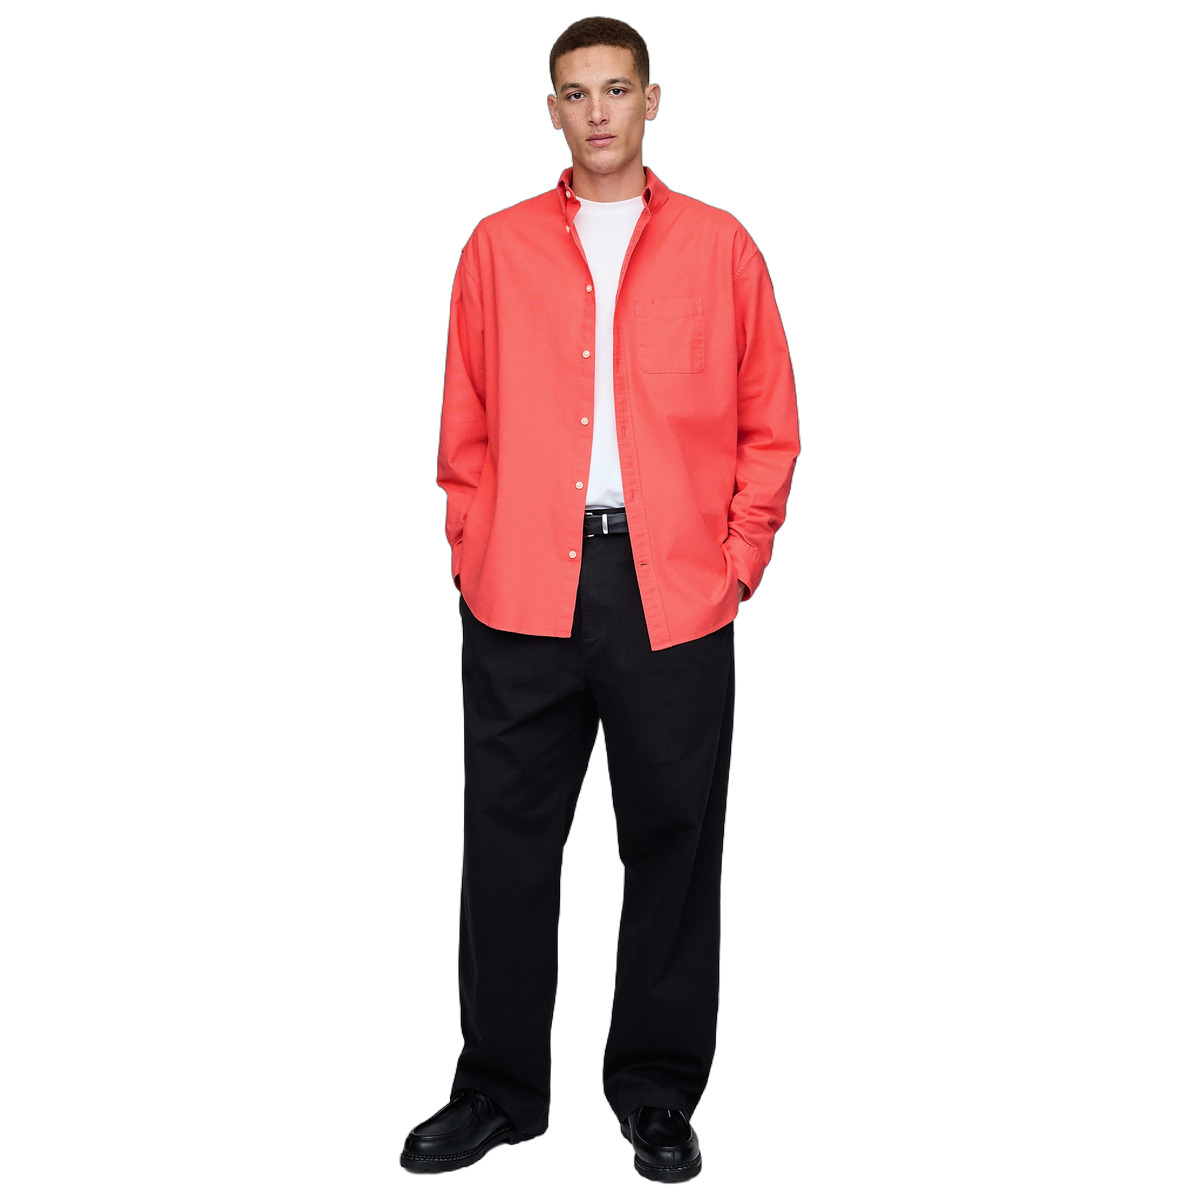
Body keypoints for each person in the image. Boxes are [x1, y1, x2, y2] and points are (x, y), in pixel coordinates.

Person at [401, 15, 800, 1183]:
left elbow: (769, 420)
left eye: (617, 89)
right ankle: (497, 1091)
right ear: (552, 111)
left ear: (652, 100)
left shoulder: (723, 248)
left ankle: (658, 1092)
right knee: (506, 847)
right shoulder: (495, 249)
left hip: (672, 591)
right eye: (576, 94)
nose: (598, 112)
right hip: (519, 589)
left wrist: (737, 559)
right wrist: (471, 551)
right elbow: (463, 423)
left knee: (673, 845)